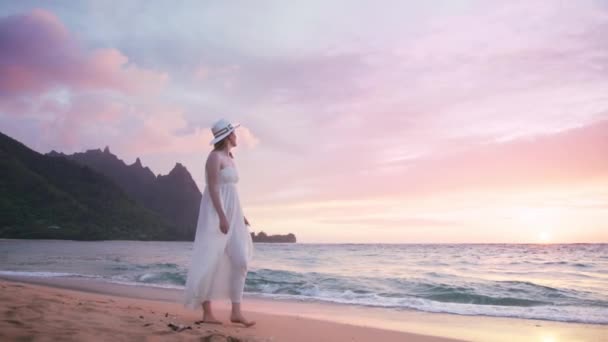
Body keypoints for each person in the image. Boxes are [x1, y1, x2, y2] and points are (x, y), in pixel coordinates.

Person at [183, 119, 255, 327]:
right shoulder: (214, 157)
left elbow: (232, 191)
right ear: (227, 136)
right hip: (216, 213)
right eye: (234, 133)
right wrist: (222, 216)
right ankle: (207, 313)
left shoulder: (230, 158)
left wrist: (240, 215)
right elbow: (214, 189)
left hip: (234, 214)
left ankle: (236, 312)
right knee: (210, 259)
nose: (236, 136)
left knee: (241, 260)